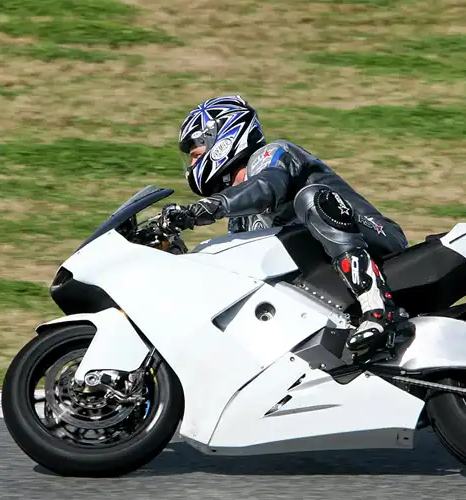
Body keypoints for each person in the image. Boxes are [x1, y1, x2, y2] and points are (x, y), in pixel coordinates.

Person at [160, 95, 410, 353]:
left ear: (222, 140)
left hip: (378, 238)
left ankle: (380, 309)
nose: (192, 165)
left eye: (195, 155)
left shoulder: (273, 155)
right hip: (327, 275)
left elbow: (267, 187)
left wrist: (203, 209)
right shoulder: (240, 219)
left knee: (311, 199)